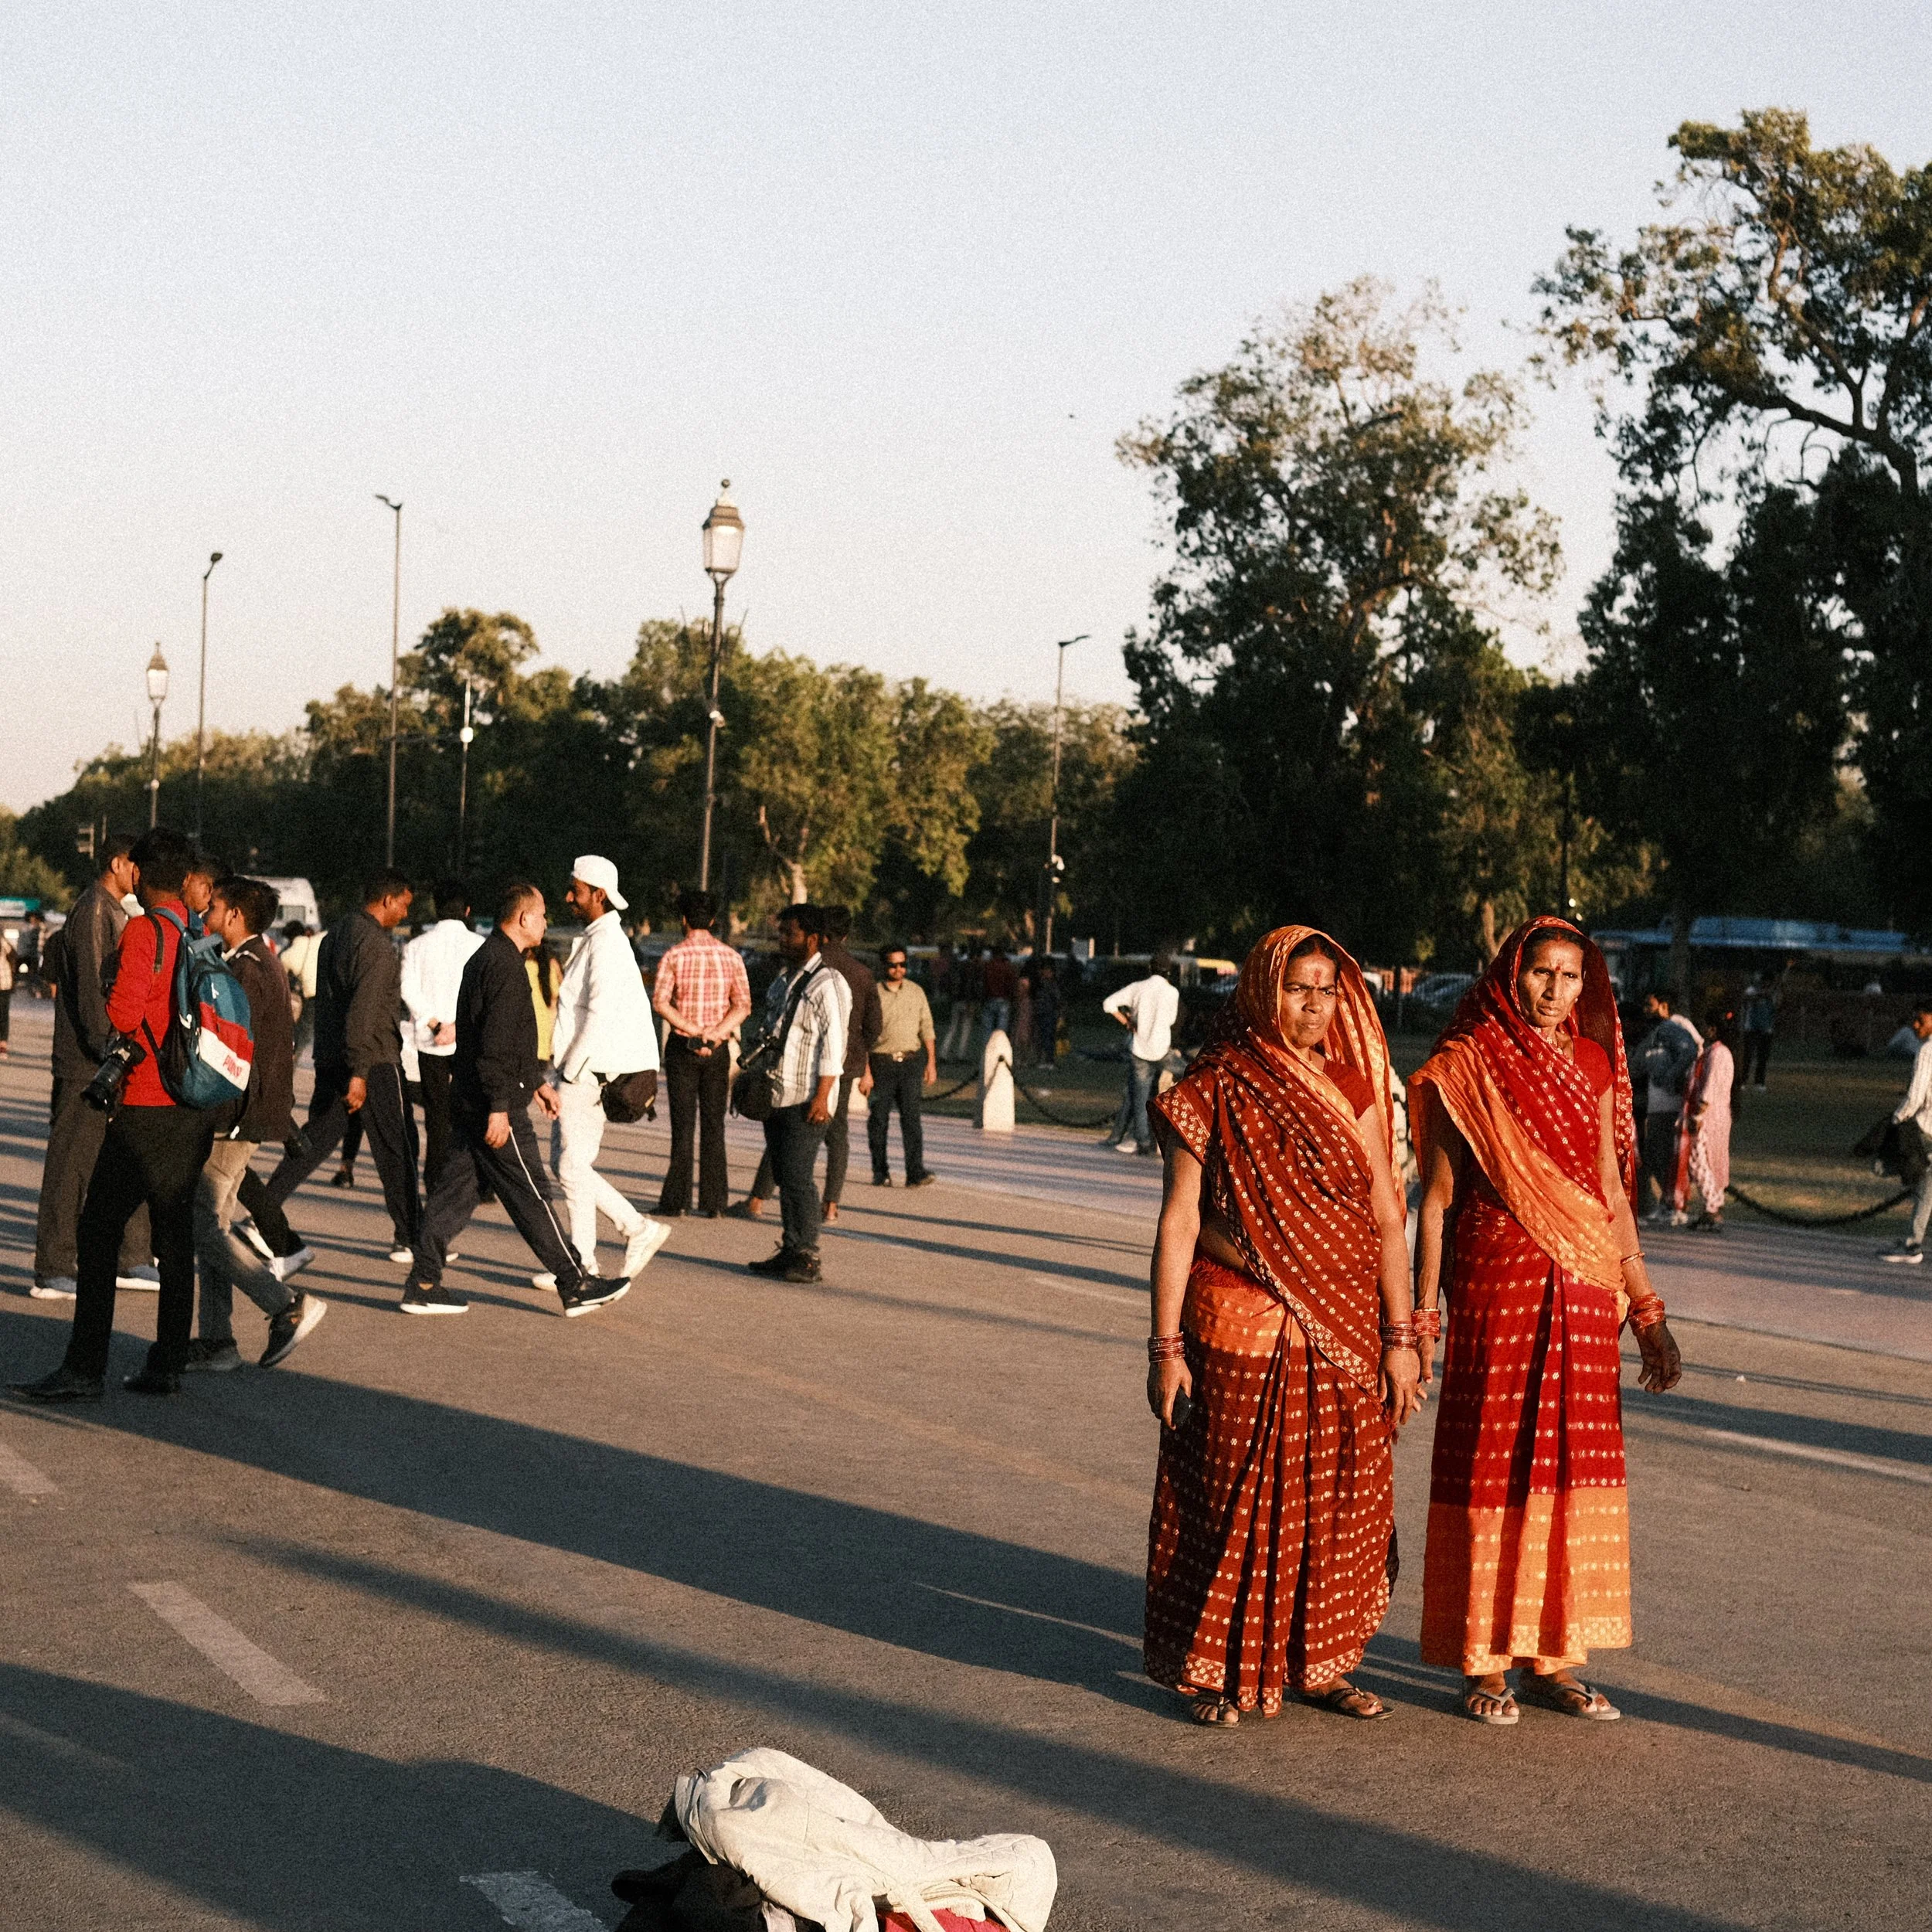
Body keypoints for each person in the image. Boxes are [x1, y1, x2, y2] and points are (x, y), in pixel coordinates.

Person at [1142, 927, 1420, 1726]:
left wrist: (1401, 1339)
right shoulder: (1214, 1086)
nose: (1312, 1004)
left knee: (1337, 1501)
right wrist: (1164, 1349)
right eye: (1297, 987)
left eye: (1326, 989)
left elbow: (1384, 1215)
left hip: (1346, 1329)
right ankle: (1218, 1670)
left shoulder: (1354, 1091)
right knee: (1231, 1499)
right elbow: (1179, 1220)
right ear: (1263, 989)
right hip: (1240, 1321)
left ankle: (1322, 1662)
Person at [1410, 917, 1682, 1726]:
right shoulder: (1471, 1062)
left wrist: (1646, 1310)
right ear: (1510, 974)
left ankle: (1556, 1656)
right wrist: (1422, 1314)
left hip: (1586, 1296)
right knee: (1495, 1465)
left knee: (1567, 1471)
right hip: (1499, 1284)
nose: (1554, 990)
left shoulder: (1594, 1062)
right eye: (1540, 972)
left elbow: (1607, 1186)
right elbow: (1435, 1200)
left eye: (1570, 976)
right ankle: (1485, 1662)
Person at [10, 828, 219, 1400]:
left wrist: (112, 990)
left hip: (146, 1102)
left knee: (97, 1233)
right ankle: (167, 1363)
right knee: (175, 1240)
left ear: (144, 875)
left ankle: (84, 1366)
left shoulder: (146, 930)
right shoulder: (196, 933)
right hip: (193, 1104)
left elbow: (124, 1016)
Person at [403, 884, 630, 1317]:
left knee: (452, 1195)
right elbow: (493, 1045)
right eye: (542, 914)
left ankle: (423, 1282)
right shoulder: (504, 966)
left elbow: (504, 1037)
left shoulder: (491, 958)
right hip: (492, 1103)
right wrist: (500, 1107)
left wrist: (536, 1082)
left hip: (474, 1097)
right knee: (533, 1196)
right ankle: (575, 1282)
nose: (547, 922)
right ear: (524, 918)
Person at [185, 876, 326, 1372]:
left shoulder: (247, 967)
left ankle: (285, 1305)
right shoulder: (259, 960)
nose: (207, 914)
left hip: (238, 1115)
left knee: (202, 1226)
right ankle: (218, 1342)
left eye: (216, 906)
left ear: (237, 915)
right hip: (252, 1111)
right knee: (214, 1225)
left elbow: (231, 1051)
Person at [262, 870, 420, 1265]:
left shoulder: (336, 935)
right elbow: (364, 1012)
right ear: (387, 900)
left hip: (333, 1056)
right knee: (395, 1149)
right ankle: (413, 1238)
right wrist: (361, 1072)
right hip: (372, 1061)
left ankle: (262, 1211)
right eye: (404, 903)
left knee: (315, 1141)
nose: (405, 912)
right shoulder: (378, 947)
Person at [31, 832, 156, 1300]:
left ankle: (131, 1257)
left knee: (121, 1162)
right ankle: (53, 1267)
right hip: (87, 1064)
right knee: (70, 1167)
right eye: (136, 866)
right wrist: (112, 1052)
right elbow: (90, 995)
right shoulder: (93, 911)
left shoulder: (113, 911)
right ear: (119, 864)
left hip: (106, 1061)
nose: (141, 876)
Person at [540, 855, 668, 1286]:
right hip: (582, 1070)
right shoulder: (599, 939)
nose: (568, 897)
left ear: (597, 894)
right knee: (569, 1166)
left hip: (588, 1073)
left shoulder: (607, 944)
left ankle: (634, 1229)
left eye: (575, 890)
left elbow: (598, 1015)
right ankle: (584, 1261)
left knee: (572, 1168)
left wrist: (571, 1072)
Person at [745, 903, 847, 1284]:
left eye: (789, 933)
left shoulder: (829, 984)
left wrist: (823, 1097)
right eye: (781, 933)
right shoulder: (786, 980)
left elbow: (834, 1047)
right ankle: (790, 1248)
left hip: (808, 1097)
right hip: (779, 1094)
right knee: (787, 1174)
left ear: (813, 939)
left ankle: (807, 1255)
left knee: (799, 1177)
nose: (782, 940)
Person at [652, 888, 753, 1219]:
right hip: (719, 1047)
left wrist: (692, 1030)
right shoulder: (732, 957)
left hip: (683, 1047)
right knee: (714, 1125)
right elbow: (743, 1005)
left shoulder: (673, 956)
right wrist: (716, 1032)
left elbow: (661, 1002)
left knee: (683, 1126)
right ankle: (714, 1202)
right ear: (712, 920)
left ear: (683, 920)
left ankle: (676, 1200)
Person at [400, 879, 484, 1193]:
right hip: (468, 1041)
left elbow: (407, 988)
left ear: (436, 909)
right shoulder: (480, 945)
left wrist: (435, 1025)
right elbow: (481, 995)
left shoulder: (416, 946)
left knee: (437, 1116)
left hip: (430, 1041)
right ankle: (479, 1182)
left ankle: (434, 1180)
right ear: (467, 910)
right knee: (472, 1112)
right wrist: (458, 1027)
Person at [868, 941, 938, 1188]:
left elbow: (927, 1028)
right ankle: (880, 1170)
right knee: (879, 1119)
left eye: (903, 964)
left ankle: (915, 1172)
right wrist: (866, 1072)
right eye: (893, 965)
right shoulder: (873, 993)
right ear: (883, 965)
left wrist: (931, 1062)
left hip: (910, 1062)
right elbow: (864, 1034)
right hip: (881, 1063)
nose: (898, 969)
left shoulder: (916, 992)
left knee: (912, 1120)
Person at [1102, 953, 1182, 1156]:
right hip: (1162, 1049)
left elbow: (1108, 1004)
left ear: (1150, 969)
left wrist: (1127, 1021)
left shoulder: (1137, 988)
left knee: (1140, 1099)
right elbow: (1171, 1021)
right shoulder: (1172, 992)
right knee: (1186, 1071)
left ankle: (1143, 1141)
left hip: (1140, 1049)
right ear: (1169, 972)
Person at [1634, 991, 1701, 1222]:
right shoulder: (1659, 1031)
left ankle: (1675, 1204)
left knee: (1661, 1154)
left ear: (1664, 1006)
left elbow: (1690, 1054)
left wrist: (1669, 1079)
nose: (1645, 1009)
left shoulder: (1673, 1028)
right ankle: (1668, 1202)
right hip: (1659, 1104)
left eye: (1649, 1004)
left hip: (1668, 1104)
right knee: (1656, 1154)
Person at [1672, 1005, 1736, 1232]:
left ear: (1712, 1029)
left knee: (1701, 1162)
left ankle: (1712, 1207)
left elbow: (1709, 1088)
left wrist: (1698, 1114)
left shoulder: (1719, 1054)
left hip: (1709, 1117)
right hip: (1712, 1115)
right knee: (1706, 1161)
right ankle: (1712, 1206)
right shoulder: (1715, 1052)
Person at [1880, 998, 1932, 1265]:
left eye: (1921, 1020)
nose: (1915, 1025)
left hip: (1927, 1130)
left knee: (1924, 1188)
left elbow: (1915, 1097)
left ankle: (1913, 1244)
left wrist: (1897, 1120)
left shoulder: (1927, 1051)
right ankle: (1914, 1240)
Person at [979, 940, 1018, 1053]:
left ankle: (987, 1053)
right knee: (1001, 1031)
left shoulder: (988, 966)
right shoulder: (1007, 967)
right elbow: (1011, 985)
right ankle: (1000, 1052)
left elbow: (983, 984)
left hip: (989, 999)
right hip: (1004, 1000)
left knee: (987, 1031)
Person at [1740, 981, 1776, 1091]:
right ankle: (1743, 1081)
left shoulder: (1772, 993)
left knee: (1763, 1058)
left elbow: (1777, 1004)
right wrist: (1761, 994)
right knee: (1747, 1057)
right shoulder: (1751, 990)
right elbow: (1746, 999)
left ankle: (1759, 1082)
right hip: (1751, 1029)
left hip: (1766, 1030)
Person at [1030, 957, 1061, 1069]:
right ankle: (1045, 1059)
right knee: (1044, 1037)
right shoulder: (1042, 983)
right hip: (1043, 1012)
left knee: (1047, 1037)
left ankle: (1048, 1060)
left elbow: (1056, 999)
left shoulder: (1049, 984)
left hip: (1048, 1013)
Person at [0, 923, 16, 1056]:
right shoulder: (4, 942)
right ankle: (3, 1043)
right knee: (3, 1014)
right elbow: (13, 955)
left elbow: (13, 956)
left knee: (3, 1013)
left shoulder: (3, 943)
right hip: (5, 982)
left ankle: (3, 1043)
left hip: (4, 982)